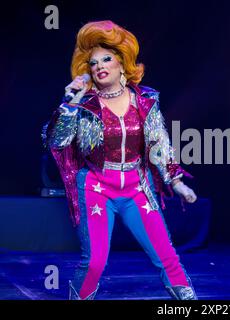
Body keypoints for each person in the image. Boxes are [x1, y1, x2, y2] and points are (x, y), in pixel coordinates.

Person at [42, 20, 198, 300]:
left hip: (138, 188)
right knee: (94, 261)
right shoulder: (84, 105)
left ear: (122, 62)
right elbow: (56, 141)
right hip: (96, 188)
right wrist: (70, 104)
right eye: (92, 63)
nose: (99, 65)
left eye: (106, 58)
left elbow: (159, 143)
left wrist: (176, 183)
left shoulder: (146, 100)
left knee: (167, 256)